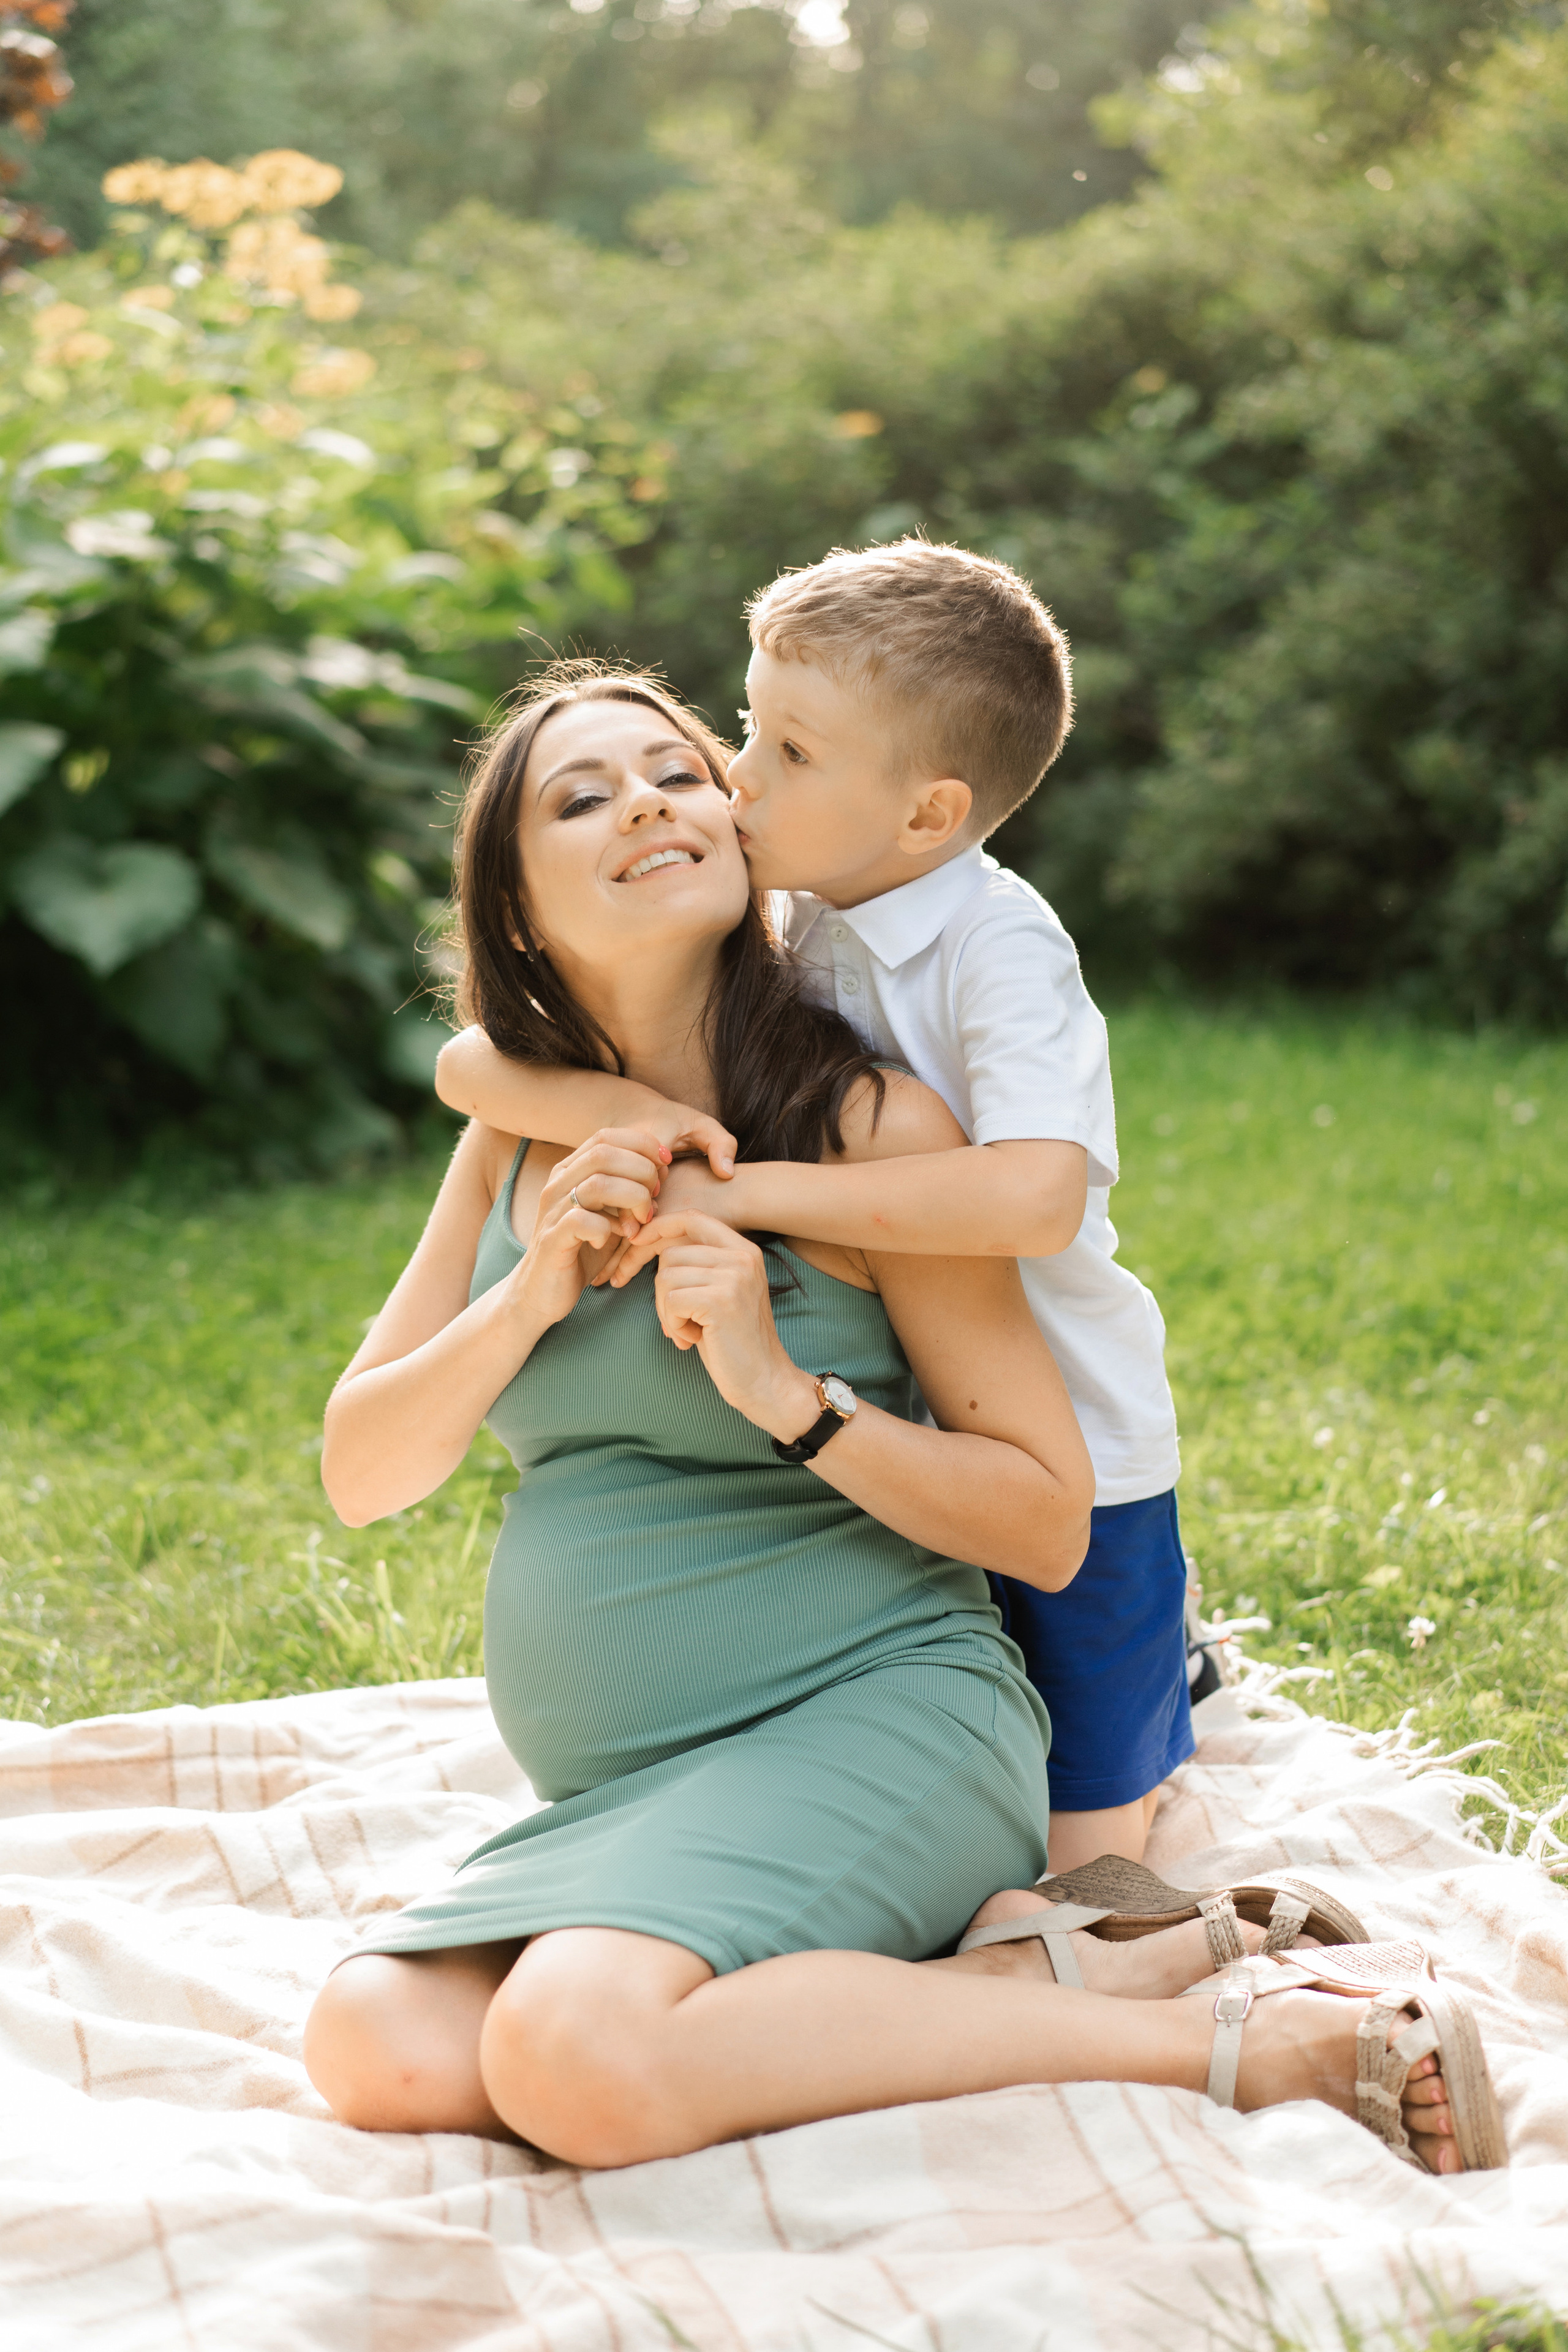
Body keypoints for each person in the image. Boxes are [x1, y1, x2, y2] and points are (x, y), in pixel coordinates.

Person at [304, 669, 1487, 2178]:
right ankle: (1001, 1979)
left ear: (734, 833)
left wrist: (787, 1399)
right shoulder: (514, 1138)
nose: (649, 803)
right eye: (579, 795)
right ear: (518, 909)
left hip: (879, 1714)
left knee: (572, 2052)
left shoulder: (868, 1131)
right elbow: (363, 1470)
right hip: (630, 1783)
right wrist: (534, 1292)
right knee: (376, 2047)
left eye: (675, 771)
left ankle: (1245, 2045)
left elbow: (1044, 1517)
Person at [437, 540, 1189, 1875]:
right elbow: (468, 1063)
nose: (730, 777)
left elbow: (1035, 1197)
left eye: (784, 750)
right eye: (743, 727)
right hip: (911, 1414)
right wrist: (626, 1125)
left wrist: (755, 1186)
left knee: (1087, 1859)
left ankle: (1168, 1691)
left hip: (1077, 1425)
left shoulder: (998, 948)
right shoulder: (801, 898)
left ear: (922, 815)